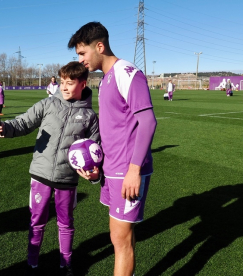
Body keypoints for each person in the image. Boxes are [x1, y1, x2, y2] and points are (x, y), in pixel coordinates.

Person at [0, 62, 100, 276]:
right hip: (40, 176)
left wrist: (95, 174)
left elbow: (96, 150)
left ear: (83, 84)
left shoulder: (90, 117)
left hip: (68, 179)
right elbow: (23, 123)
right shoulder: (48, 104)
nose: (64, 87)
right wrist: (2, 128)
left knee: (66, 224)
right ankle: (32, 263)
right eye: (62, 82)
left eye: (70, 83)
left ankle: (65, 264)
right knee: (37, 221)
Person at [68, 22, 157, 276]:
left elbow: (148, 122)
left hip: (128, 170)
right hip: (112, 169)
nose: (81, 60)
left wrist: (134, 170)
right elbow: (114, 129)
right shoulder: (106, 79)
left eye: (83, 53)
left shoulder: (127, 73)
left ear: (100, 46)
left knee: (121, 239)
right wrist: (97, 167)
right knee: (117, 236)